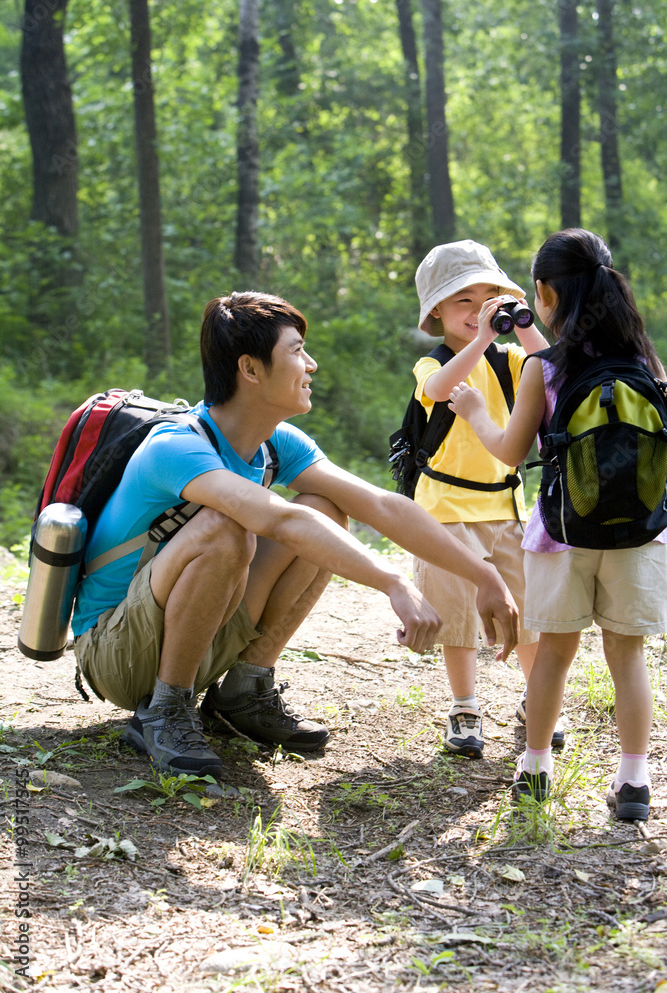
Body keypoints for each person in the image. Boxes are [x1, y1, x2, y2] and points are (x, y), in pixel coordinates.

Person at [72, 290, 519, 780]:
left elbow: (380, 504)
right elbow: (279, 521)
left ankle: (244, 690)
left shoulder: (275, 444)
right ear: (250, 369)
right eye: (295, 351)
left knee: (326, 508)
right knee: (225, 529)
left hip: (189, 631)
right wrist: (394, 582)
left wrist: (483, 576)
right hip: (116, 652)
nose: (311, 364)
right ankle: (166, 709)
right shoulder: (176, 446)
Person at [449, 228, 667, 820]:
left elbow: (511, 452)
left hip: (562, 534)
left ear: (544, 292)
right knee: (628, 656)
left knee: (553, 655)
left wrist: (472, 411)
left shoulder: (542, 369)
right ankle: (635, 783)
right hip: (641, 533)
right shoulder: (647, 362)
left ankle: (536, 767)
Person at [410, 240, 558, 759]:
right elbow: (440, 390)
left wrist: (518, 325)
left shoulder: (511, 360)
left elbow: (551, 366)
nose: (478, 312)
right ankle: (465, 706)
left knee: (529, 615)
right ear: (437, 313)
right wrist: (480, 343)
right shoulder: (433, 364)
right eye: (463, 302)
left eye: (488, 298)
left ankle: (538, 700)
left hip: (506, 508)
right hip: (445, 512)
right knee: (458, 621)